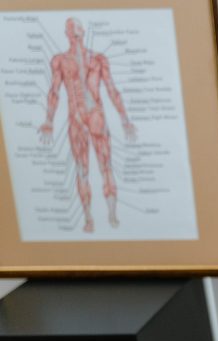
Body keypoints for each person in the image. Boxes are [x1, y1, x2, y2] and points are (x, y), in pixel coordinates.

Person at [39, 17, 137, 233]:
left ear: (82, 32)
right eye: (72, 27)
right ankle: (89, 217)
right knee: (82, 170)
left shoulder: (98, 59)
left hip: (96, 117)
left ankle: (111, 213)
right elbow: (54, 91)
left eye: (78, 27)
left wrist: (124, 119)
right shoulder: (60, 61)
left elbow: (111, 89)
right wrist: (48, 120)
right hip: (76, 120)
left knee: (106, 167)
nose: (76, 31)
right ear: (67, 33)